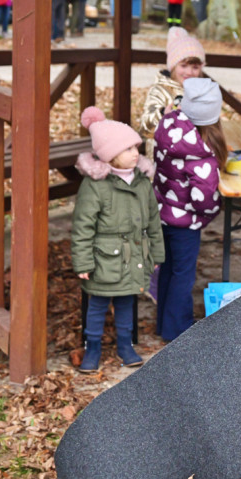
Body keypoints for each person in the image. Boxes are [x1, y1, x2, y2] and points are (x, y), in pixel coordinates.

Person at [71, 106, 164, 373]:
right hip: (104, 258)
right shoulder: (95, 185)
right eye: (128, 149)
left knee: (127, 302)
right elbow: (82, 228)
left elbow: (152, 222)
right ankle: (93, 348)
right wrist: (83, 263)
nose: (136, 154)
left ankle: (125, 346)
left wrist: (156, 255)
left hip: (134, 255)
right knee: (97, 305)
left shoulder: (142, 182)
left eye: (137, 148)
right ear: (110, 155)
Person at [153, 78, 224, 341]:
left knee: (169, 269)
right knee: (183, 275)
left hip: (163, 211)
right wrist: (215, 208)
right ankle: (178, 330)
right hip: (185, 224)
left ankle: (163, 323)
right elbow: (203, 198)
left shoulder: (168, 125)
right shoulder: (200, 154)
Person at [137, 26, 208, 158]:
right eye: (183, 66)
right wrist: (164, 114)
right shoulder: (160, 90)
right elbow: (145, 127)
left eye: (195, 67)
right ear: (173, 66)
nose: (189, 72)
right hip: (164, 160)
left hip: (193, 158)